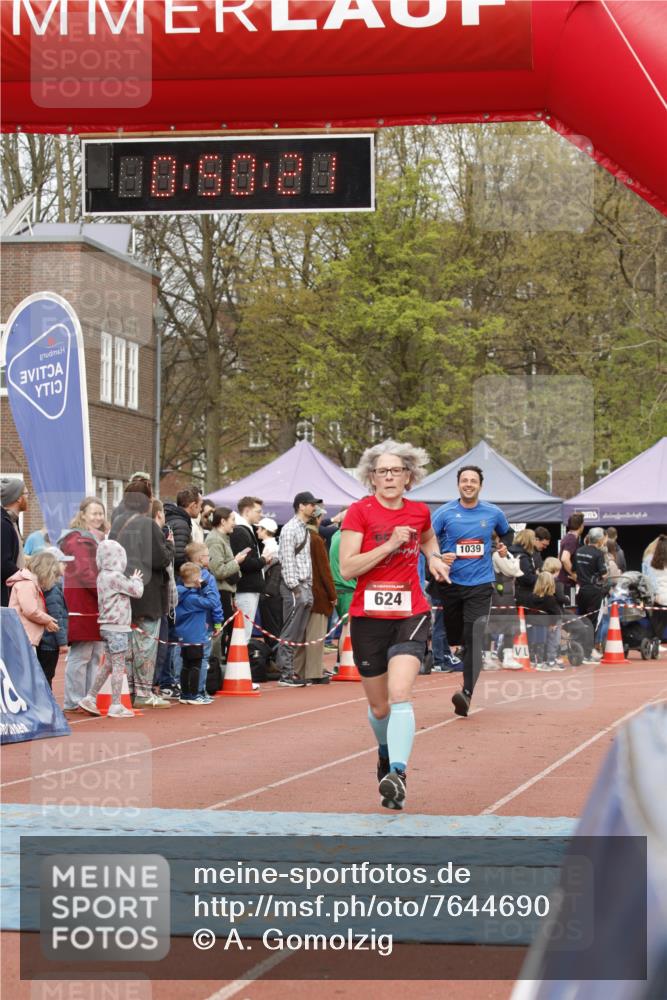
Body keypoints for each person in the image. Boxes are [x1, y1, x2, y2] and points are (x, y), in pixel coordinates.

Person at [339, 440, 450, 811]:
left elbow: (429, 540)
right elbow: (347, 568)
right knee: (380, 707)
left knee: (401, 694)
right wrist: (388, 546)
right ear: (371, 477)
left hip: (410, 613)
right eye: (382, 471)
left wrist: (434, 559)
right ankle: (386, 754)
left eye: (396, 471)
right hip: (368, 617)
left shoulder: (419, 512)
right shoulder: (359, 512)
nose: (389, 477)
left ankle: (398, 775)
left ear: (409, 477)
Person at [432, 465, 514, 718]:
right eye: (464, 480)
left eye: (473, 481)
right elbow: (428, 541)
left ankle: (466, 693)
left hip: (480, 584)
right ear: (458, 484)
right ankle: (463, 650)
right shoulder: (445, 513)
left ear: (480, 485)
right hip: (451, 584)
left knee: (474, 637)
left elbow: (507, 533)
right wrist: (438, 555)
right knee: (458, 637)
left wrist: (502, 547)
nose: (469, 484)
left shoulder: (492, 512)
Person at [109, 488, 174, 708]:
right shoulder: (148, 525)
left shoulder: (117, 525)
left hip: (124, 591)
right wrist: (170, 545)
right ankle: (144, 692)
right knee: (146, 645)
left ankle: (128, 689)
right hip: (148, 593)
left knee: (128, 645)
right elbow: (160, 559)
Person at [79, 540, 145, 719]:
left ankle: (90, 697)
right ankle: (115, 705)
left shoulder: (101, 576)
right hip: (118, 626)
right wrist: (137, 579)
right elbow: (137, 591)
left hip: (106, 626)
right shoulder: (116, 577)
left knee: (108, 663)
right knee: (118, 665)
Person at [59, 496, 107, 710]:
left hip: (94, 604)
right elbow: (85, 572)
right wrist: (105, 593)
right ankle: (74, 700)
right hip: (83, 603)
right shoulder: (78, 540)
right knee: (82, 653)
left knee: (95, 653)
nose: (98, 517)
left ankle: (88, 697)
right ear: (83, 515)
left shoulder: (97, 539)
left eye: (101, 513)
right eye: (94, 513)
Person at [275, 491, 322, 687]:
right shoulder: (290, 529)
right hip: (295, 586)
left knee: (297, 631)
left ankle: (291, 671)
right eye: (311, 504)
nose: (314, 508)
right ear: (301, 506)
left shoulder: (302, 528)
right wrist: (296, 588)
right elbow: (287, 560)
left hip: (304, 585)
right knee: (290, 631)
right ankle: (285, 674)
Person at [293, 506, 338, 685]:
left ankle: (299, 670)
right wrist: (332, 594)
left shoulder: (298, 536)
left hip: (299, 592)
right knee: (315, 635)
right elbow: (323, 570)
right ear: (317, 519)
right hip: (318, 594)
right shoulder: (316, 540)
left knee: (301, 634)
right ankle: (314, 671)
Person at [206, 507, 247, 663]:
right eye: (232, 520)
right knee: (220, 632)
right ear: (222, 521)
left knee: (225, 631)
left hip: (226, 592)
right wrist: (236, 562)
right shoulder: (215, 540)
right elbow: (218, 571)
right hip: (220, 592)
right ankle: (215, 668)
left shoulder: (222, 538)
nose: (234, 524)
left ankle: (219, 667)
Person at [184, 541, 223, 703]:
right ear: (201, 559)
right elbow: (215, 601)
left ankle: (185, 691)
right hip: (204, 623)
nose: (210, 559)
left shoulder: (184, 574)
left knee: (185, 659)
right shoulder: (207, 576)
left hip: (187, 624)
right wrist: (218, 622)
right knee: (203, 658)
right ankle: (199, 691)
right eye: (208, 556)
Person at [175, 562, 219, 705]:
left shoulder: (182, 593)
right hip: (195, 635)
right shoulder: (192, 599)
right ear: (195, 580)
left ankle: (185, 693)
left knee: (186, 665)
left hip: (184, 634)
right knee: (195, 665)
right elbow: (212, 602)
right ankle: (194, 694)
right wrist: (206, 586)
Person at [230, 496, 270, 643]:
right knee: (242, 633)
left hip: (249, 588)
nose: (261, 514)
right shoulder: (240, 531)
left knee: (244, 633)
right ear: (247, 511)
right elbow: (244, 563)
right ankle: (239, 665)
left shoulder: (245, 530)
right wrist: (264, 560)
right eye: (258, 511)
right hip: (245, 589)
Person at [7, 554, 60, 662]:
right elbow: (30, 610)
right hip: (23, 637)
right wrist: (48, 620)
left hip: (24, 637)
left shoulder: (28, 583)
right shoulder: (27, 584)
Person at [33, 548, 71, 688]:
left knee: (43, 674)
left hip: (45, 640)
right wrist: (62, 642)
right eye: (62, 563)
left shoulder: (45, 588)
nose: (65, 566)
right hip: (50, 642)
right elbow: (57, 617)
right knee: (47, 675)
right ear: (53, 567)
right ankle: (47, 705)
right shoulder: (53, 591)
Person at [573, 527, 608, 659]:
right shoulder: (598, 554)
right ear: (599, 540)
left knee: (581, 619)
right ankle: (588, 652)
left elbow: (575, 570)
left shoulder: (579, 551)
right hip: (594, 591)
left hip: (581, 590)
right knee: (592, 622)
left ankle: (580, 648)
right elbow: (604, 574)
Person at [257, 516, 283, 650]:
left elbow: (264, 571)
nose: (257, 531)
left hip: (271, 593)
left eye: (259, 529)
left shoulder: (271, 548)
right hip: (272, 593)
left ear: (265, 530)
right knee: (272, 627)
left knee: (271, 628)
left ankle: (276, 658)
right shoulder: (271, 546)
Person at [1, 477, 28, 606]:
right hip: (4, 596)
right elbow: (4, 564)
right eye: (26, 494)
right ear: (18, 498)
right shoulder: (4, 525)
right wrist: (26, 576)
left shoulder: (12, 521)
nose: (28, 498)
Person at [164, 486, 202, 571]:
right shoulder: (181, 524)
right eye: (200, 505)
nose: (201, 509)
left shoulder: (174, 518)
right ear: (193, 505)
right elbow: (179, 558)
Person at [509, 529, 542, 609]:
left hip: (515, 592)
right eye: (534, 538)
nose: (535, 541)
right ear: (529, 540)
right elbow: (527, 578)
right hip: (523, 594)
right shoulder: (522, 557)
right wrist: (538, 576)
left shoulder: (513, 553)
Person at [557, 512, 585, 601]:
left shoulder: (567, 537)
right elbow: (564, 559)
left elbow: (559, 557)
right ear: (581, 525)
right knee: (570, 611)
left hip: (564, 582)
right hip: (567, 583)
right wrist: (574, 575)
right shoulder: (571, 539)